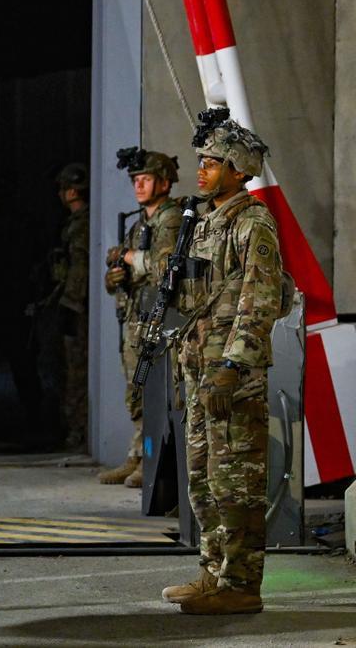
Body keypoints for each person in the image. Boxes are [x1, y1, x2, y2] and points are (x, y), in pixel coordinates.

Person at [162, 108, 280, 615]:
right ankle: (213, 572)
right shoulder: (208, 221)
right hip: (202, 373)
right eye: (202, 161)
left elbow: (260, 300)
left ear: (238, 169)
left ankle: (241, 585)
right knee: (204, 482)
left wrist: (233, 366)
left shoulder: (253, 224)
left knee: (238, 482)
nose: (202, 170)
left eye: (213, 162)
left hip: (233, 377)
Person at [98, 148, 184, 486]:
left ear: (163, 182)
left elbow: (165, 267)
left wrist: (131, 257)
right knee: (136, 391)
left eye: (145, 179)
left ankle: (152, 461)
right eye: (136, 180)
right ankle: (137, 454)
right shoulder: (140, 223)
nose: (138, 185)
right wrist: (114, 278)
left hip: (159, 320)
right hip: (137, 318)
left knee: (154, 391)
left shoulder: (171, 219)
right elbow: (129, 272)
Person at [49, 162, 90, 450]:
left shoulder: (82, 224)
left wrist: (71, 303)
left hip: (76, 305)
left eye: (63, 189)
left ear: (72, 191)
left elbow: (79, 269)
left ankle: (77, 430)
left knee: (75, 370)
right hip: (71, 301)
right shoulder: (76, 222)